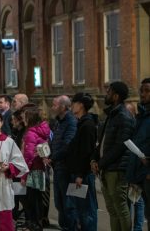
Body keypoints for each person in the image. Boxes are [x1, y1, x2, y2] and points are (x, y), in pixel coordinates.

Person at [91, 81, 135, 231]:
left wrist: (100, 163)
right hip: (106, 168)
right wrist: (94, 159)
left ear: (116, 96)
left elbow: (120, 147)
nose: (106, 94)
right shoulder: (111, 114)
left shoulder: (124, 116)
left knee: (121, 208)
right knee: (112, 209)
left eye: (109, 92)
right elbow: (102, 141)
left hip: (117, 169)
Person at [66, 93, 98, 230]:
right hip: (78, 173)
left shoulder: (87, 125)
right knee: (80, 209)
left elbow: (86, 152)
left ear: (81, 105)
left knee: (87, 210)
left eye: (74, 103)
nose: (71, 106)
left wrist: (80, 174)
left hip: (83, 175)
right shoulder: (81, 124)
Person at [47, 95, 77, 230]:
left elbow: (67, 145)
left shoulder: (71, 121)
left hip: (66, 167)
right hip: (58, 167)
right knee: (59, 203)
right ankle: (65, 227)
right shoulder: (59, 121)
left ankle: (70, 227)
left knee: (68, 203)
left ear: (63, 107)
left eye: (54, 105)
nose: (52, 108)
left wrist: (53, 158)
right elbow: (55, 141)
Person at [20, 104, 50, 231]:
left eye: (24, 117)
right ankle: (37, 223)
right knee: (38, 198)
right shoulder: (41, 131)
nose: (23, 119)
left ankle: (34, 224)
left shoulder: (31, 133)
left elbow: (28, 157)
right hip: (40, 169)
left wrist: (24, 175)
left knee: (32, 199)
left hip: (32, 170)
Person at [126, 78, 150, 231]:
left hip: (148, 173)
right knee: (148, 213)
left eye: (147, 91)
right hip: (141, 174)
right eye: (141, 90)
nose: (142, 94)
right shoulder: (141, 116)